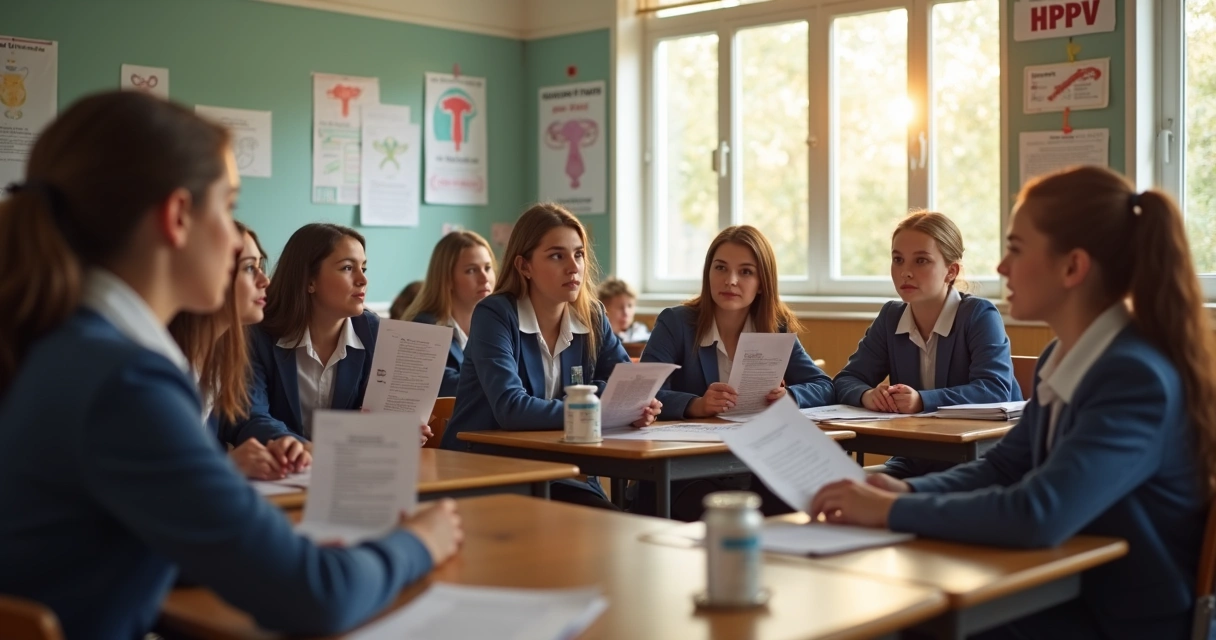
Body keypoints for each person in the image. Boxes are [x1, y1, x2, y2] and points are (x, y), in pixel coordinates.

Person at [0, 90, 462, 638]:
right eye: (229, 205)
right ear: (177, 217)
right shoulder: (126, 381)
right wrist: (419, 542)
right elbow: (317, 598)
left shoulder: (60, 345)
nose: (235, 237)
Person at [811, 166, 1214, 640]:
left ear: (1073, 267)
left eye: (1016, 249)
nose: (1001, 268)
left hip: (1121, 617)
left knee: (901, 620)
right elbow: (1003, 467)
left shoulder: (1134, 375)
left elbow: (1039, 513)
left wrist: (890, 513)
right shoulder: (1059, 358)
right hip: (1067, 585)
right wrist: (906, 493)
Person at [442, 203, 660, 509]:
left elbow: (630, 387)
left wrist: (640, 406)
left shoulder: (592, 314)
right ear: (524, 266)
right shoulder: (495, 314)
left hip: (565, 471)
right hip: (490, 471)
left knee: (618, 526)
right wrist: (602, 410)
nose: (573, 267)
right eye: (557, 255)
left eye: (579, 254)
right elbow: (511, 408)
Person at [639, 225, 833, 518]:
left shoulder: (774, 325)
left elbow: (823, 385)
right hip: (685, 472)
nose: (730, 281)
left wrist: (789, 397)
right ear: (708, 274)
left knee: (804, 505)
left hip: (759, 463)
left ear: (762, 283)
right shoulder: (676, 323)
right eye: (720, 268)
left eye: (745, 272)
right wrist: (695, 405)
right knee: (723, 515)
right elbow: (646, 393)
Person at [832, 211, 1021, 478]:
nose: (905, 272)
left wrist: (922, 400)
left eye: (921, 261)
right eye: (897, 260)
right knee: (845, 488)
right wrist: (866, 395)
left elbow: (995, 390)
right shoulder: (890, 317)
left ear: (951, 271)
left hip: (982, 461)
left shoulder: (979, 315)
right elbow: (846, 379)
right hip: (917, 459)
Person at [229, 223, 430, 446]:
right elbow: (249, 417)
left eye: (363, 268)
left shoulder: (375, 332)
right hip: (281, 471)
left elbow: (378, 418)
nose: (363, 280)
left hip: (351, 469)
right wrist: (302, 449)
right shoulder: (258, 332)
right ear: (309, 280)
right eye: (347, 268)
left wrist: (399, 428)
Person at [169, 221, 309, 479]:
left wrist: (283, 443)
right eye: (248, 268)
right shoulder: (164, 362)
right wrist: (226, 464)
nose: (265, 280)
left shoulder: (220, 356)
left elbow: (241, 418)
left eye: (260, 266)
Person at [402, 231, 496, 396]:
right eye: (471, 270)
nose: (484, 278)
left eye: (488, 268)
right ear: (447, 278)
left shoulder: (498, 326)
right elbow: (446, 387)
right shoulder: (424, 328)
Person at [598, 277, 650, 343]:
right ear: (604, 309)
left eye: (630, 306)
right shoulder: (600, 337)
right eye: (619, 307)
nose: (626, 313)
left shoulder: (640, 331)